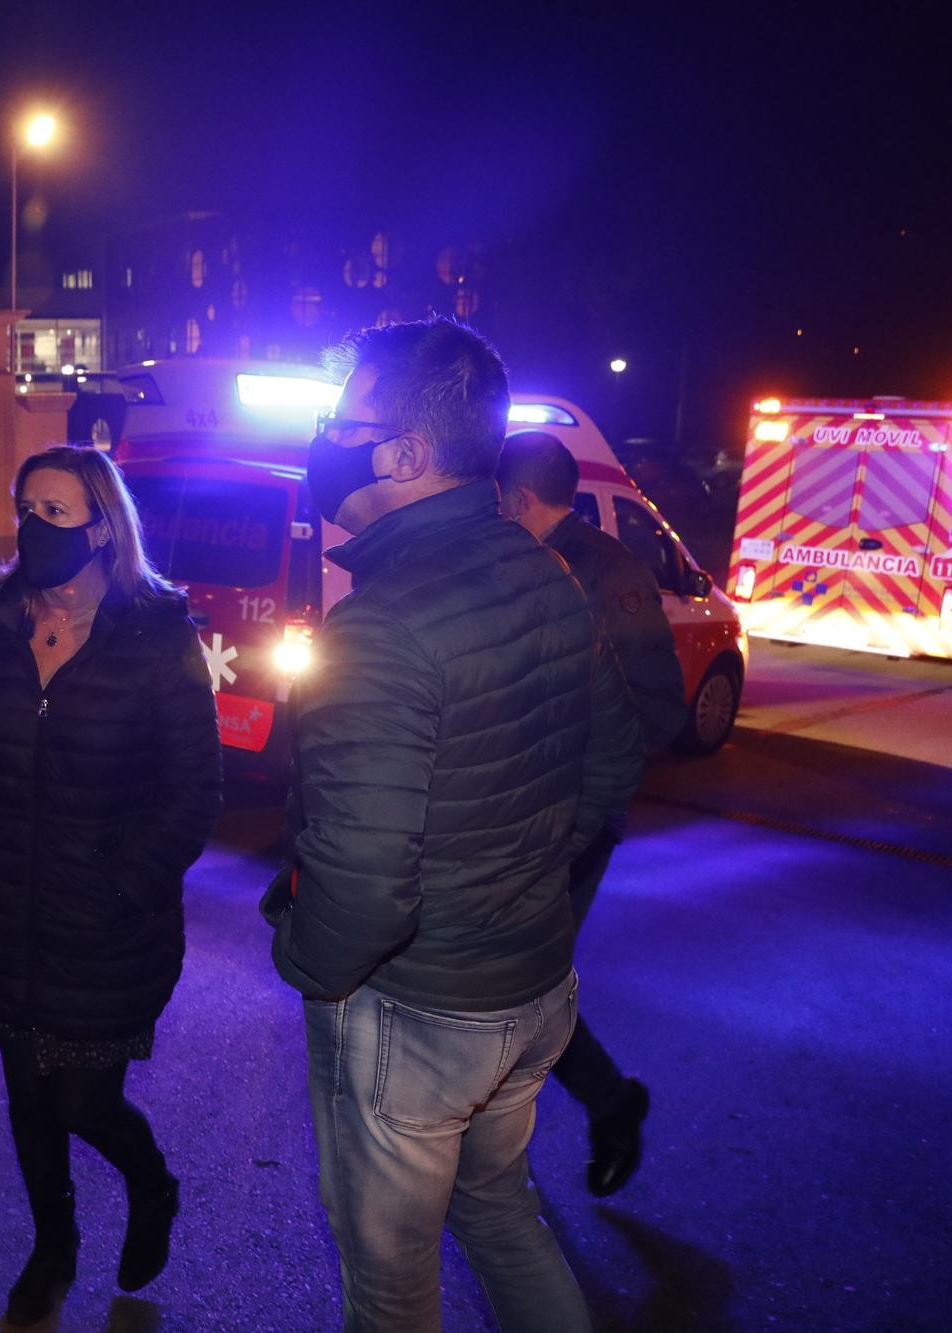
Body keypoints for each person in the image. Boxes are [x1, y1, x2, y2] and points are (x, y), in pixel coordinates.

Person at [264, 319, 644, 1332]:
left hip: (418, 1016)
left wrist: (300, 957)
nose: (321, 437)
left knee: (390, 1289)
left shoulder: (378, 626)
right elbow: (608, 763)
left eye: (336, 417)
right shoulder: (542, 570)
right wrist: (514, 878)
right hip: (531, 990)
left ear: (401, 454)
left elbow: (360, 883)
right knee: (499, 1214)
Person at [0, 444, 221, 1327]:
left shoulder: (159, 634)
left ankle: (151, 1182)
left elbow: (193, 790)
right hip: (8, 911)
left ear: (102, 526)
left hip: (110, 924)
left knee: (84, 1097)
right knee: (27, 1097)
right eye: (26, 506)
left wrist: (122, 880)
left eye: (55, 511)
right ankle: (53, 1247)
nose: (33, 525)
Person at [497, 430, 687, 1197]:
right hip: (524, 814)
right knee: (515, 983)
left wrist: (577, 781)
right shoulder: (520, 565)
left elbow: (660, 711)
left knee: (523, 986)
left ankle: (606, 1105)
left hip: (574, 818)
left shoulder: (609, 573)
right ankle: (578, 1115)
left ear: (516, 498)